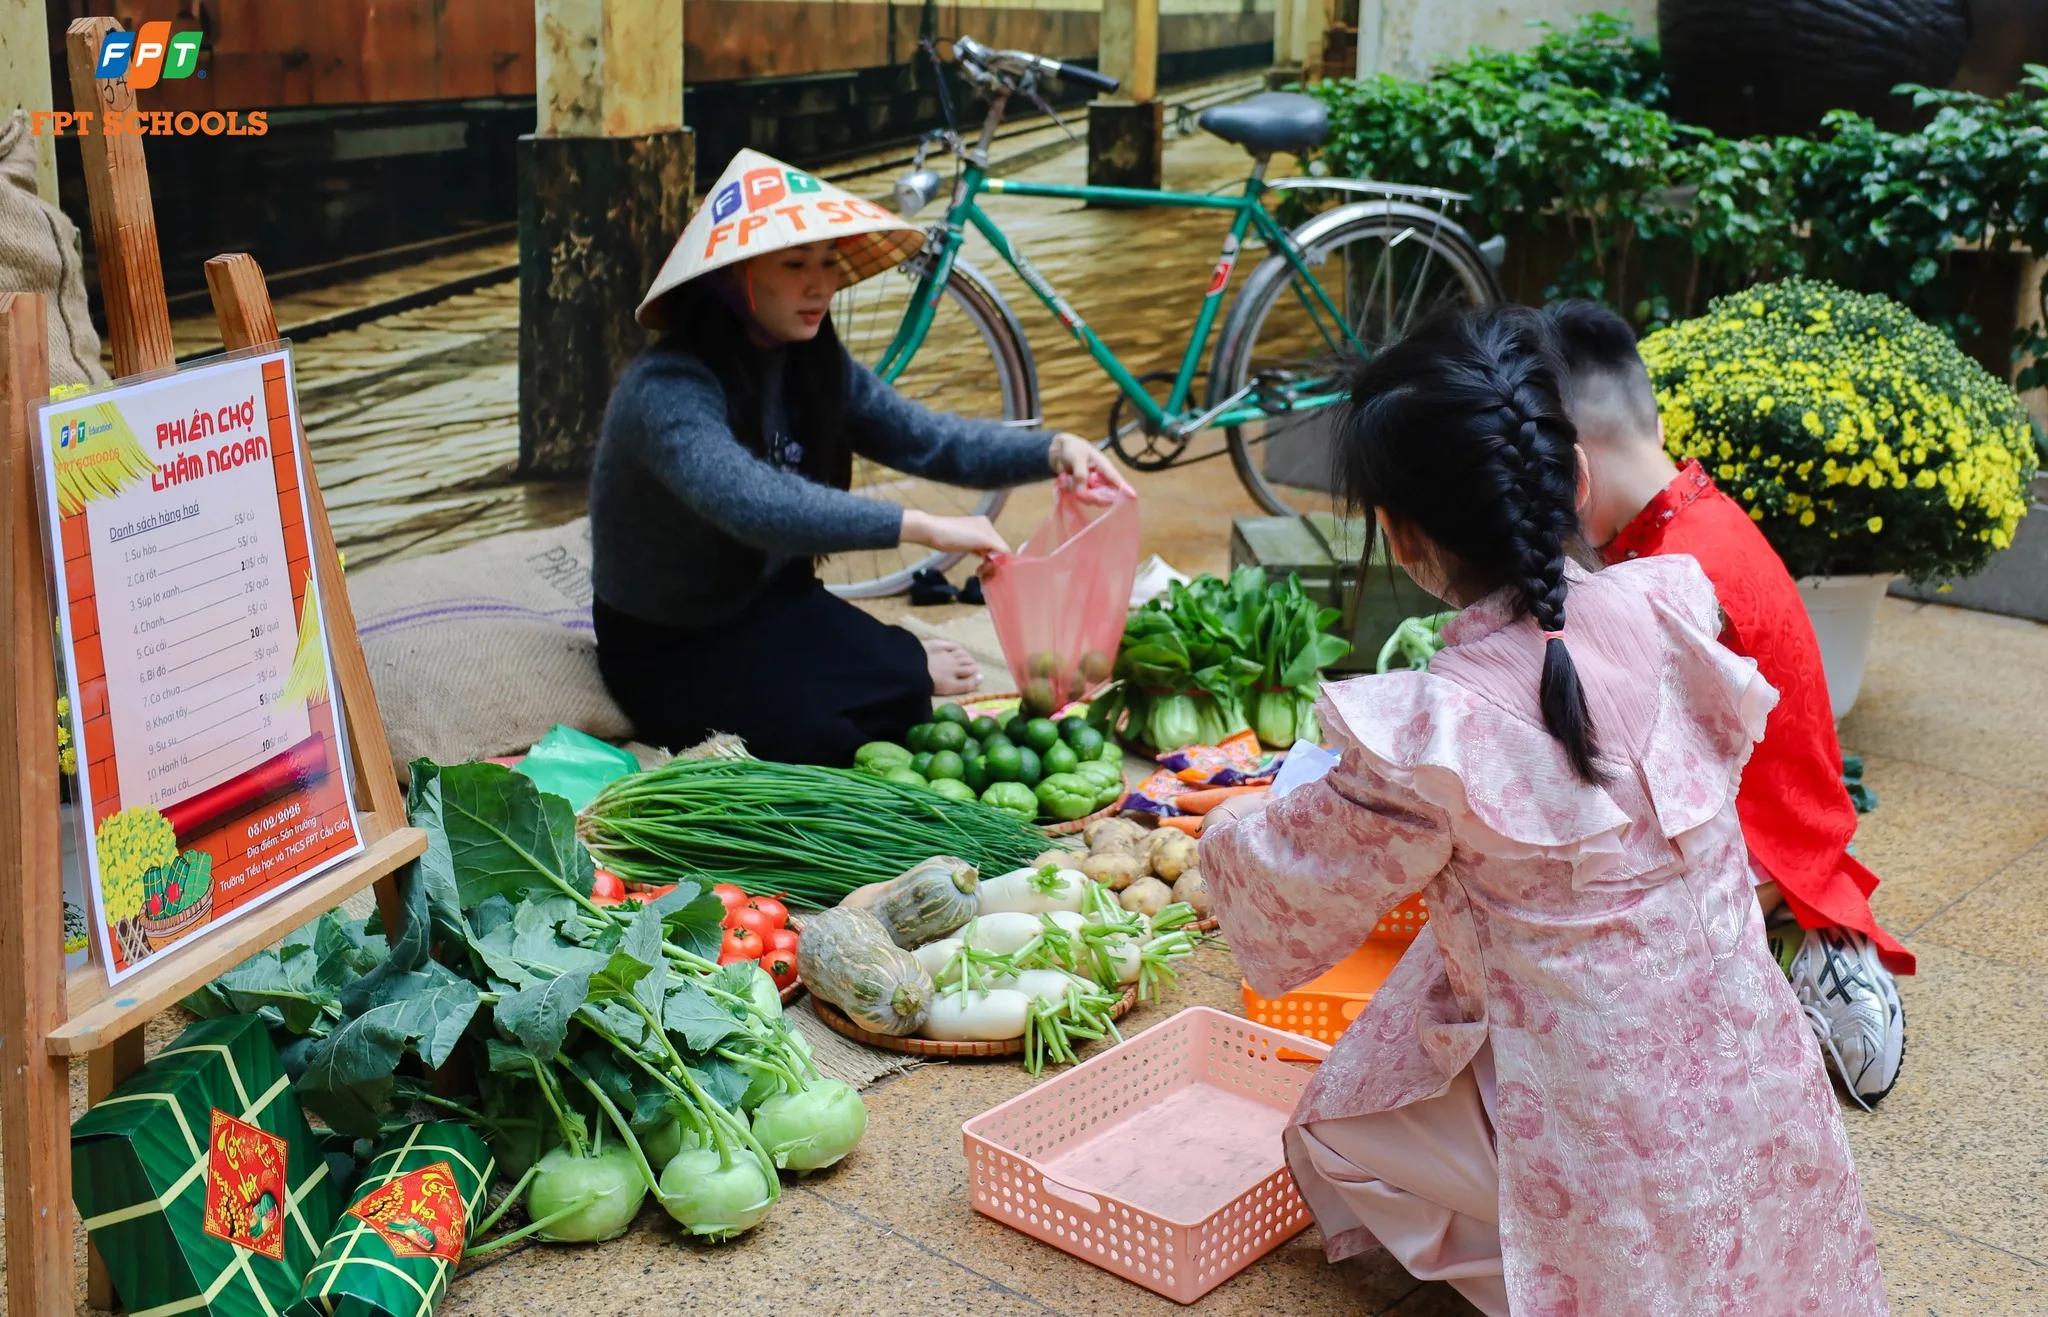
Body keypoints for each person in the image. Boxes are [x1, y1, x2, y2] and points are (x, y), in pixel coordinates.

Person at [1199, 307, 1886, 1315]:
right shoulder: (1673, 604)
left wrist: (1230, 826)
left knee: (1340, 1125)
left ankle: (1550, 1271)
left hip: (1598, 1125)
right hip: (1758, 1082)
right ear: (1570, 480)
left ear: (1399, 534)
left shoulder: (1434, 730)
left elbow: (1279, 891)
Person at [589, 151, 1129, 765]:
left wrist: (1054, 449)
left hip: (770, 604)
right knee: (825, 741)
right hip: (672, 642)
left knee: (901, 701)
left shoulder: (815, 364)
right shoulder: (664, 389)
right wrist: (922, 526)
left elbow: (927, 438)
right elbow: (753, 503)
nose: (821, 285)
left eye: (828, 263)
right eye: (795, 265)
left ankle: (882, 665)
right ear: (732, 277)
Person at [1548, 299, 1910, 1107]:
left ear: (1570, 466)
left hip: (1762, 851)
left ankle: (1790, 962)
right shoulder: (1692, 518)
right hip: (1793, 825)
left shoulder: (1679, 576)